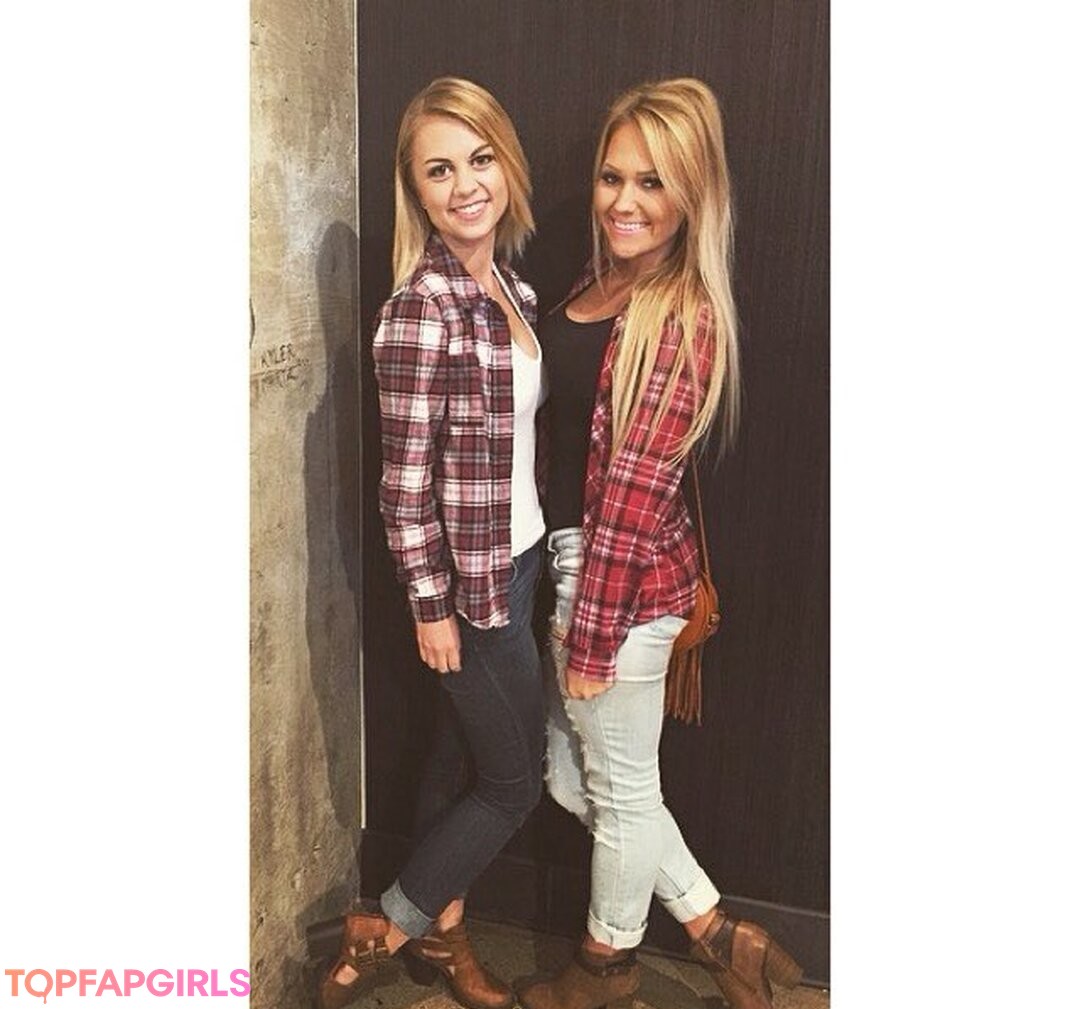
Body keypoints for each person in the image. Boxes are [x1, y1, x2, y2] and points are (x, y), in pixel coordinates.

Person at [517, 79, 803, 1009]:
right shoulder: (598, 280)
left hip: (623, 586)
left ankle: (604, 969)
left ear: (692, 195)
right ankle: (723, 933)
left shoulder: (682, 315)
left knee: (618, 791)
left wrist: (592, 634)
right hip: (575, 565)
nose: (625, 201)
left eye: (653, 183)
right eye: (613, 177)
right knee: (583, 778)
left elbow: (636, 495)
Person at [316, 76, 546, 1009]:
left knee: (456, 764)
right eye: (438, 170)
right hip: (471, 591)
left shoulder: (511, 289)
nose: (465, 185)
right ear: (415, 190)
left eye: (479, 159)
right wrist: (431, 605)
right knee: (514, 784)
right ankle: (389, 923)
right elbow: (403, 484)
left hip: (520, 561)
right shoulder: (423, 310)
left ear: (506, 162)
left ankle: (441, 939)